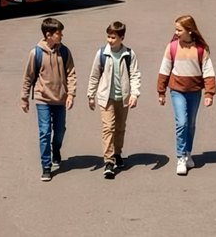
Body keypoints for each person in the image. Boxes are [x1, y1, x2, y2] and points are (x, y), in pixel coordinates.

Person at [157, 15, 216, 176]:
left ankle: (188, 153)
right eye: (176, 29)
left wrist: (209, 93)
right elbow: (164, 69)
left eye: (179, 30)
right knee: (181, 122)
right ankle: (181, 157)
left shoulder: (200, 49)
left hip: (194, 91)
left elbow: (208, 72)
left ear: (189, 30)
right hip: (177, 91)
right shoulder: (172, 47)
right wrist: (161, 92)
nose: (176, 33)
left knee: (190, 124)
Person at [20, 17, 76, 182]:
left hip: (60, 99)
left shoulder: (64, 52)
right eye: (59, 33)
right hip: (42, 99)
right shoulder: (36, 53)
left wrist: (71, 94)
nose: (61, 36)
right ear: (48, 35)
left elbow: (71, 74)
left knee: (59, 131)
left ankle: (56, 149)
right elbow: (28, 77)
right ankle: (46, 165)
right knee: (44, 132)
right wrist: (24, 98)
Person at [87, 21, 141, 179]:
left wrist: (134, 94)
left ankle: (117, 153)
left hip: (123, 98)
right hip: (106, 98)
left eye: (113, 37)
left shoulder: (129, 54)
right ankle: (108, 161)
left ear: (122, 38)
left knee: (120, 128)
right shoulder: (102, 53)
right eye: (108, 37)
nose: (109, 40)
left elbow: (135, 75)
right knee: (108, 128)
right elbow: (94, 75)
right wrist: (91, 95)